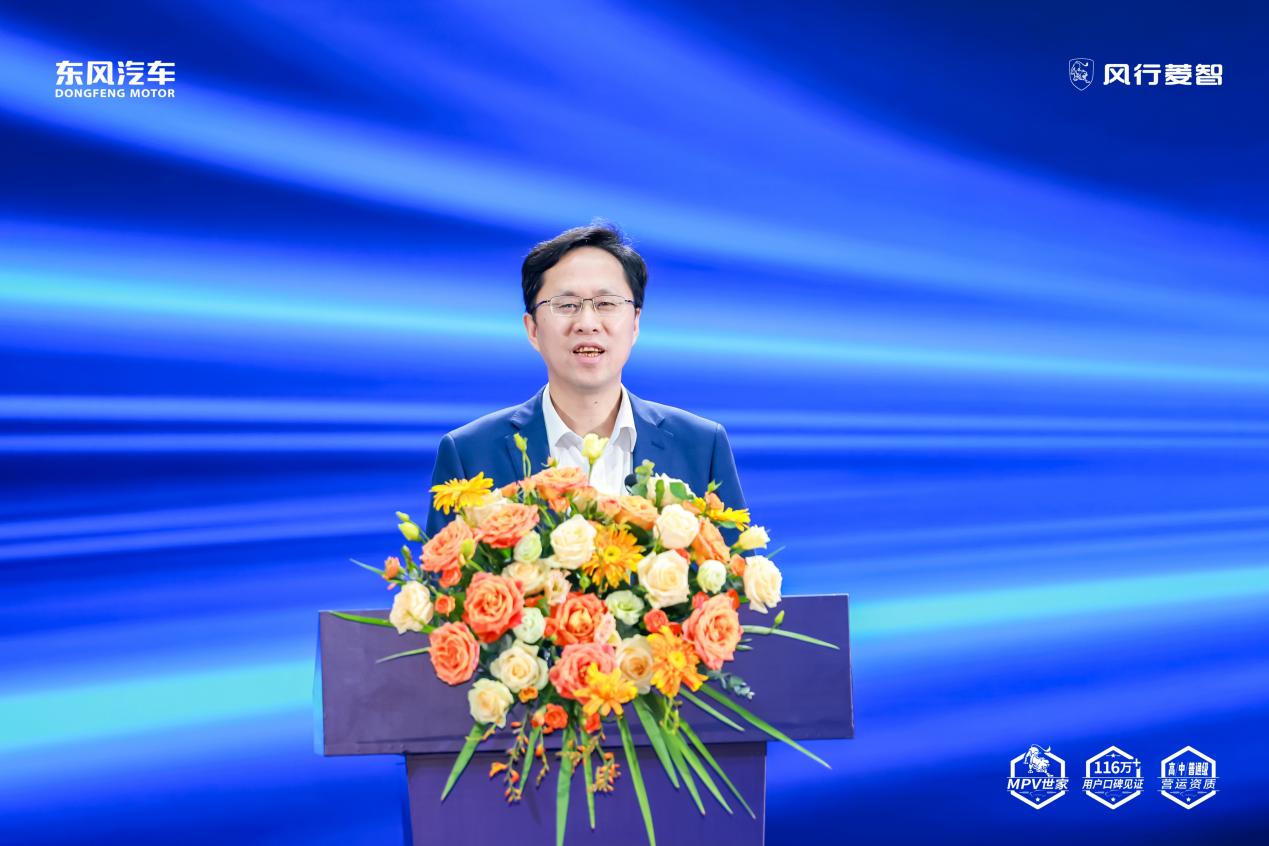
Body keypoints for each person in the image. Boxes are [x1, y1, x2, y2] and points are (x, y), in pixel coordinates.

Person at [424, 223, 745, 537]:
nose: (587, 323)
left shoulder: (701, 446)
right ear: (532, 329)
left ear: (635, 323)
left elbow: (736, 571)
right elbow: (446, 570)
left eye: (606, 304)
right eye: (566, 305)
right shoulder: (470, 453)